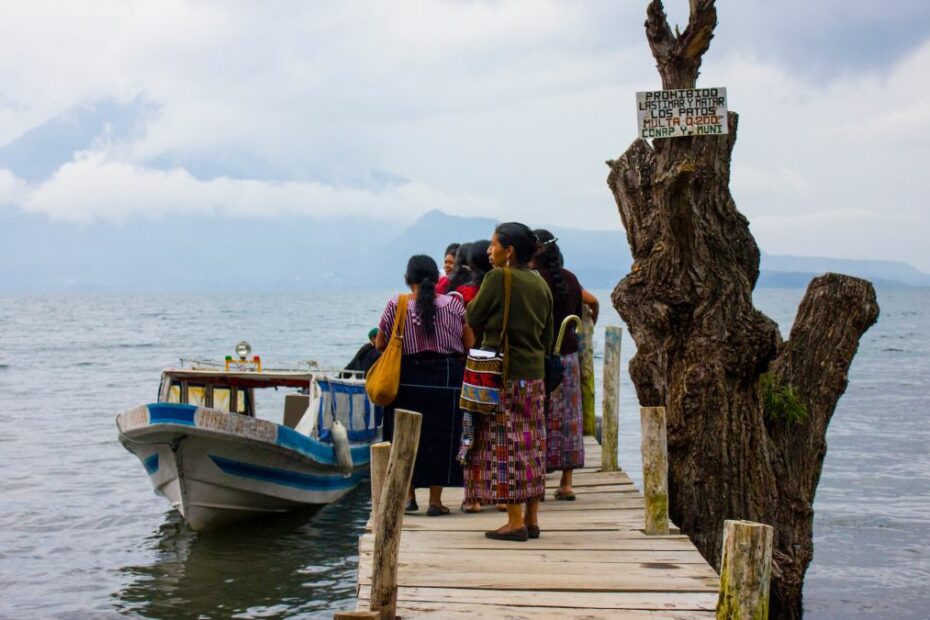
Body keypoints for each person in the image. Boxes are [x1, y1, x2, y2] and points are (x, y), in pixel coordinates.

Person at [463, 223, 553, 541]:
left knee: (506, 442)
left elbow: (472, 316)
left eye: (494, 244)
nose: (491, 250)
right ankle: (531, 518)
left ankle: (514, 521)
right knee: (532, 443)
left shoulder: (499, 277)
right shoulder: (540, 282)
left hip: (504, 372)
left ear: (509, 251)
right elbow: (548, 333)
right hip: (535, 374)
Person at [376, 255, 476, 516]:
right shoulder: (454, 305)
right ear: (436, 277)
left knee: (404, 436)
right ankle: (435, 501)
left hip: (406, 378)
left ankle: (408, 498)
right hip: (446, 376)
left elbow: (379, 344)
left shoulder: (396, 305)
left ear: (408, 279)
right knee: (442, 437)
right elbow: (469, 343)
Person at [531, 229, 591, 500]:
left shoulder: (532, 282)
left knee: (537, 417)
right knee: (568, 419)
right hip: (569, 356)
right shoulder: (571, 279)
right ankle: (567, 482)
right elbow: (581, 314)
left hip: (540, 357)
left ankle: (537, 481)